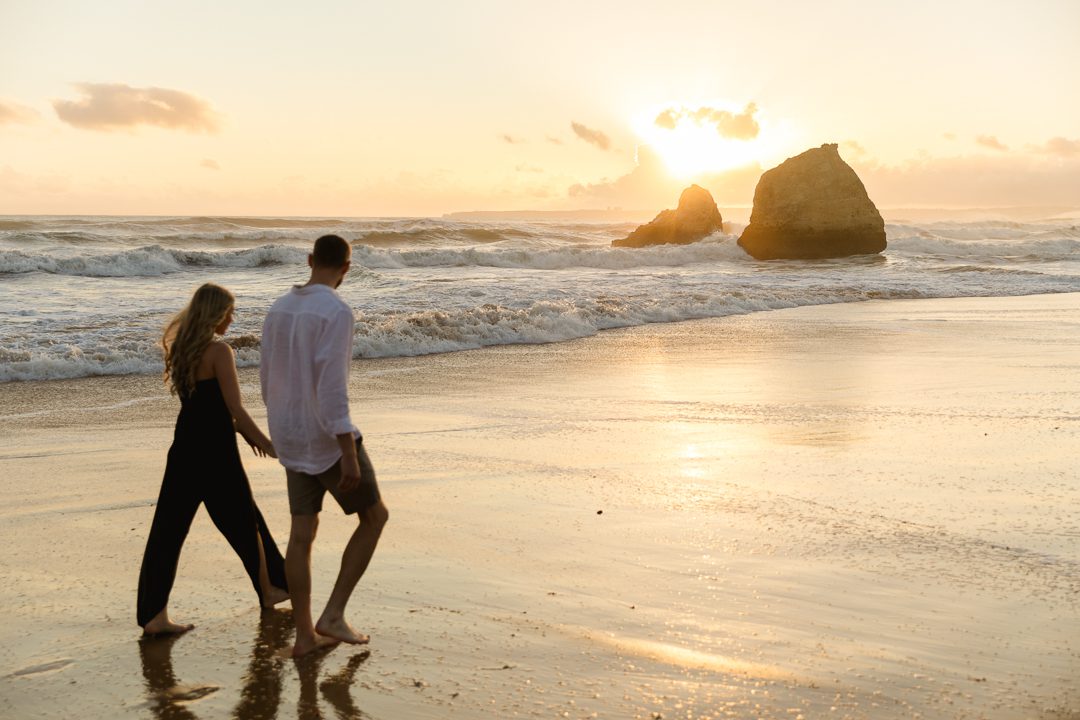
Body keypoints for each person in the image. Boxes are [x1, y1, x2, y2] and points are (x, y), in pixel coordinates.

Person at [260, 234, 389, 657]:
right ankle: (332, 614)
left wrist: (281, 425)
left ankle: (303, 636)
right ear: (346, 268)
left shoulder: (279, 306)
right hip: (327, 438)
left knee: (302, 534)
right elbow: (332, 385)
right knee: (373, 517)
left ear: (311, 259)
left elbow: (266, 377)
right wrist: (348, 450)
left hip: (290, 432)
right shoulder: (335, 310)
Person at [137, 283, 289, 635]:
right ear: (214, 314)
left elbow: (203, 409)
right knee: (245, 523)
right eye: (228, 312)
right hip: (216, 453)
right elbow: (235, 408)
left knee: (168, 531)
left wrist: (238, 431)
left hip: (185, 449)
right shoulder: (220, 352)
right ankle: (269, 591)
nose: (232, 319)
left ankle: (153, 616)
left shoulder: (181, 350)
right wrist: (270, 444)